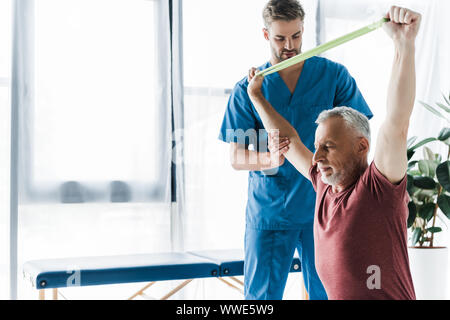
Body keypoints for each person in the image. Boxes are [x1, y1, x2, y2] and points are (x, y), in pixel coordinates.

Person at [246, 5, 420, 300]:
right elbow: (288, 140)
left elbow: (397, 121)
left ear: (361, 146)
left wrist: (404, 44)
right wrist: (257, 97)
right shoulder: (323, 185)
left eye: (328, 147)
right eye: (316, 148)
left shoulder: (378, 189)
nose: (317, 157)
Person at [219, 0, 372, 300]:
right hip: (270, 211)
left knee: (330, 293)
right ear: (266, 35)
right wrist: (268, 158)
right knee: (261, 300)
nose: (289, 45)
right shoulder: (247, 90)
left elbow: (360, 139)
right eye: (280, 38)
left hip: (324, 208)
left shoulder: (334, 77)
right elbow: (236, 156)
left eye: (296, 36)